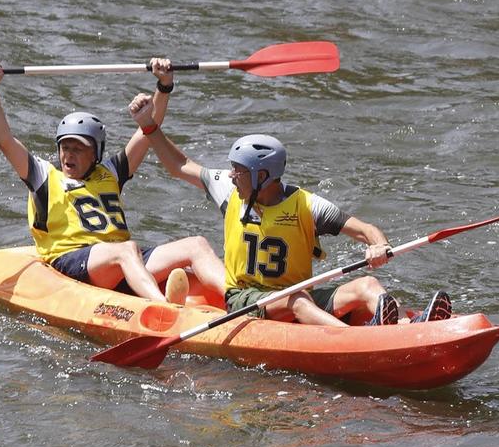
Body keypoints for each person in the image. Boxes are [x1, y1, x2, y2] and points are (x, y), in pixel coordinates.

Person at [138, 63, 452, 327]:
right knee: (296, 300)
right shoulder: (229, 189)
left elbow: (366, 231)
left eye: (239, 170)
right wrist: (149, 125)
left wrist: (379, 246)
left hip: (296, 293)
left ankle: (409, 326)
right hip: (246, 300)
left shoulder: (307, 205)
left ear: (263, 176)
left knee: (367, 286)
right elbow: (181, 165)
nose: (232, 175)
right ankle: (359, 338)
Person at [0, 62, 225, 307]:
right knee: (126, 250)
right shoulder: (44, 176)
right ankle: (164, 308)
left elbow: (149, 129)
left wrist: (164, 85)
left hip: (120, 262)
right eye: (65, 148)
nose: (68, 156)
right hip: (73, 261)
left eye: (78, 149)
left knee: (196, 245)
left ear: (96, 153)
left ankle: (239, 299)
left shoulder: (110, 173)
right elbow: (5, 140)